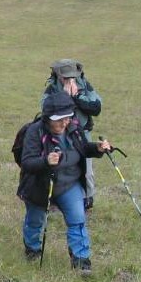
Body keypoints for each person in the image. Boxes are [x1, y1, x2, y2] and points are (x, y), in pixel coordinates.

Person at [18, 91, 111, 274]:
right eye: (59, 120)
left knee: (77, 220)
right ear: (47, 118)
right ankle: (32, 250)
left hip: (69, 184)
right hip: (39, 187)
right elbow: (27, 162)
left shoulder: (73, 127)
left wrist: (97, 148)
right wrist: (45, 161)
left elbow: (83, 148)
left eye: (67, 118)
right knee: (35, 221)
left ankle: (81, 261)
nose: (64, 123)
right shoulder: (34, 131)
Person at [40, 59, 102, 209]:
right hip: (58, 134)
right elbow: (46, 110)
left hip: (82, 134)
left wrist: (76, 97)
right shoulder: (52, 89)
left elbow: (96, 108)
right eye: (65, 77)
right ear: (58, 75)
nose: (68, 79)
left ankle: (87, 199)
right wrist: (64, 97)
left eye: (71, 76)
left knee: (86, 169)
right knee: (57, 165)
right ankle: (54, 198)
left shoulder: (84, 85)